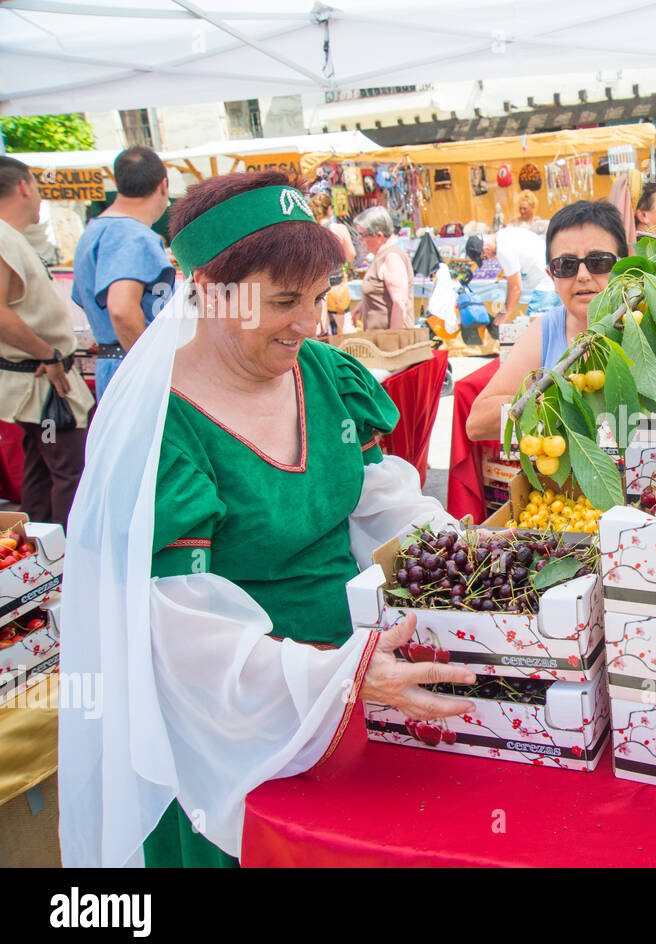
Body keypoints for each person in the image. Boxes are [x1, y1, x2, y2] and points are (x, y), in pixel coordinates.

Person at [59, 170, 474, 868]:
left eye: (318, 298)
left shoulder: (324, 377)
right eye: (286, 301)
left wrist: (474, 559)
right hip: (235, 724)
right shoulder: (164, 430)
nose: (311, 325)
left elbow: (387, 507)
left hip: (360, 686)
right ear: (211, 292)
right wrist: (331, 678)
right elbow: (184, 636)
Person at [466, 200, 626, 442]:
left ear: (622, 265)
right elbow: (477, 423)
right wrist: (550, 401)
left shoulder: (645, 324)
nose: (583, 276)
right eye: (566, 265)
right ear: (551, 276)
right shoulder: (546, 330)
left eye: (599, 261)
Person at [0, 157, 94, 526]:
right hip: (42, 380)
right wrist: (48, 354)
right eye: (38, 188)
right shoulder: (3, 237)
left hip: (38, 379)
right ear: (24, 186)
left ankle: (41, 560)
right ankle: (66, 562)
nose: (40, 198)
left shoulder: (10, 236)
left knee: (42, 470)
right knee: (71, 473)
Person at [71, 146, 175, 400]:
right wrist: (148, 369)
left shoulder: (93, 230)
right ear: (163, 185)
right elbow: (121, 309)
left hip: (113, 363)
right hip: (132, 369)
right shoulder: (132, 234)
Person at [466, 224, 559, 322]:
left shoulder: (503, 249)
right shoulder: (505, 233)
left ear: (486, 250)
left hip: (546, 288)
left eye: (485, 258)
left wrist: (503, 313)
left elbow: (515, 288)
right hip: (555, 282)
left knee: (534, 332)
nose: (488, 260)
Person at [354, 206, 414, 330]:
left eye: (362, 235)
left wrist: (392, 339)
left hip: (391, 343)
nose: (359, 239)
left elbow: (400, 303)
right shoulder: (380, 256)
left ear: (379, 236)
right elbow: (383, 294)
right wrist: (364, 304)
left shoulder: (391, 257)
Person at [308, 192, 357, 335]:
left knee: (318, 331)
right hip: (336, 283)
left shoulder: (309, 230)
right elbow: (350, 255)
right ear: (329, 209)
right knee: (345, 330)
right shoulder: (339, 229)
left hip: (315, 285)